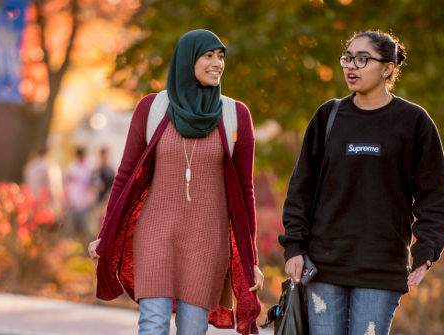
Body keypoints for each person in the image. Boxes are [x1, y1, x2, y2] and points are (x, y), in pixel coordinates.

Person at [87, 29, 264, 335]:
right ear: (187, 59)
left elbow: (245, 193)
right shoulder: (153, 108)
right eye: (208, 55)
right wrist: (106, 233)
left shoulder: (236, 115)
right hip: (155, 233)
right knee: (152, 325)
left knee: (192, 329)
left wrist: (251, 259)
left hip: (208, 240)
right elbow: (125, 175)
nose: (217, 63)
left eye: (220, 57)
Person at [279, 30, 444, 334]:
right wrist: (294, 246)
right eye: (347, 58)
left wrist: (426, 252)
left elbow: (434, 197)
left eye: (362, 59)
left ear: (388, 68)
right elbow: (301, 188)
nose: (351, 66)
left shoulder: (413, 122)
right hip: (324, 266)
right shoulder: (328, 116)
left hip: (381, 269)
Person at [63, 147, 94, 239]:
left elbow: (92, 187)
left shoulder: (89, 169)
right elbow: (66, 185)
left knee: (87, 233)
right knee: (70, 232)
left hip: (85, 204)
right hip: (73, 204)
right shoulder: (72, 168)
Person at [23, 148, 64, 215]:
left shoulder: (31, 166)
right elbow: (55, 185)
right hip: (47, 200)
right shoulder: (51, 166)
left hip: (33, 199)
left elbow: (27, 182)